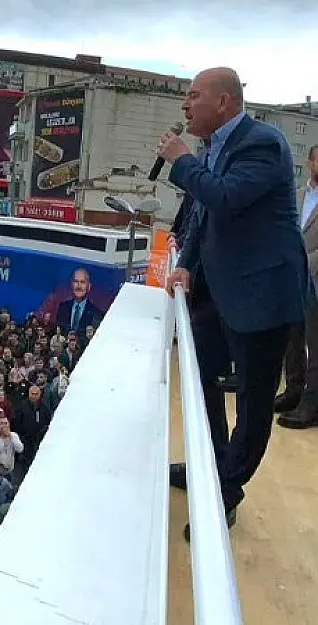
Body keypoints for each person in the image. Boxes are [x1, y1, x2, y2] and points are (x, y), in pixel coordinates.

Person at [162, 67, 311, 536]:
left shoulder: (262, 144)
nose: (185, 105)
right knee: (201, 381)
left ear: (224, 102)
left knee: (252, 404)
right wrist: (185, 262)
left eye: (193, 96)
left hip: (261, 297)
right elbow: (203, 216)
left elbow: (225, 198)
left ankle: (226, 492)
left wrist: (182, 161)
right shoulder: (213, 148)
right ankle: (211, 464)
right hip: (215, 290)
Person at [278, 144, 318, 429]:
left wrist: (302, 262)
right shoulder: (298, 196)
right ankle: (293, 391)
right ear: (310, 162)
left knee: (315, 345)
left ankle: (312, 403)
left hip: (315, 278)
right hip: (293, 279)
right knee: (292, 338)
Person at [55, 269, 102, 335]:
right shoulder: (63, 307)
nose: (79, 286)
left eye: (82, 282)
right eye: (76, 281)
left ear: (89, 287)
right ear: (72, 285)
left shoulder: (96, 313)